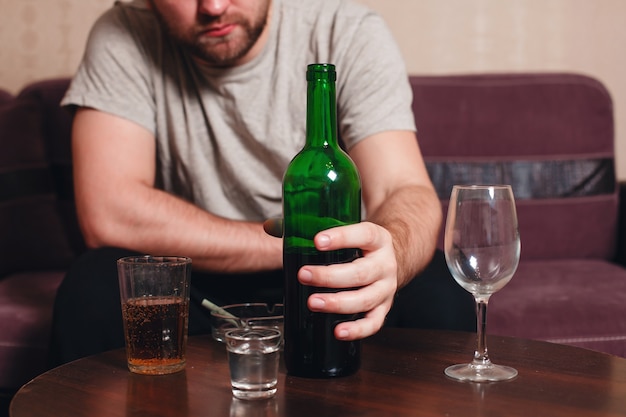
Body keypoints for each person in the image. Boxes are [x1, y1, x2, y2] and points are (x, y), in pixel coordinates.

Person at [49, 0, 475, 366]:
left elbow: (403, 189)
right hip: (203, 276)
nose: (213, 7)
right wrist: (290, 245)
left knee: (438, 290)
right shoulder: (122, 32)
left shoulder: (346, 28)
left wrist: (391, 257)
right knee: (92, 286)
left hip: (337, 272)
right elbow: (108, 211)